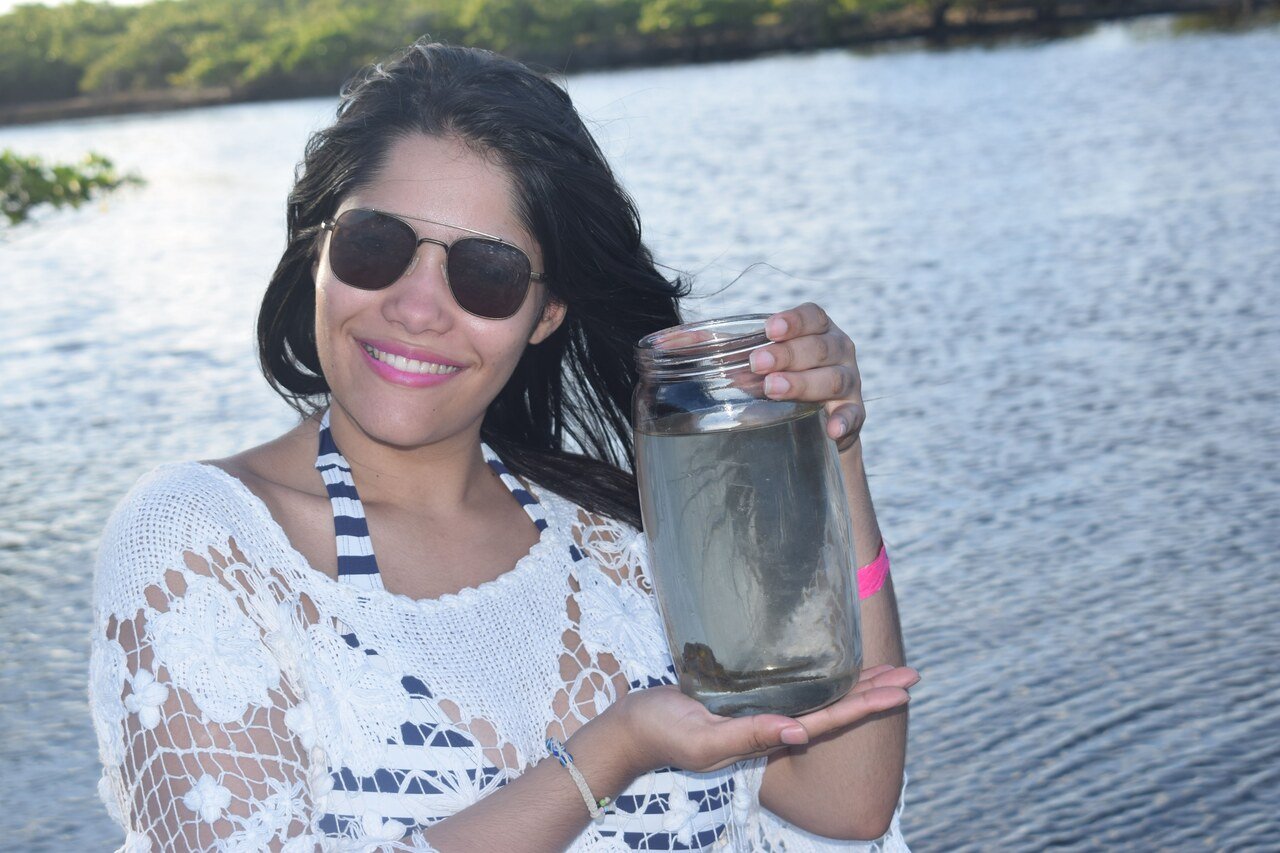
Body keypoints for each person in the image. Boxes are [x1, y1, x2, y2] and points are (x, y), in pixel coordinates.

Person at [88, 40, 918, 852]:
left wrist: (831, 442)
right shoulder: (204, 545)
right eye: (375, 245)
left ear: (545, 311)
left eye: (485, 273)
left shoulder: (623, 545)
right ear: (318, 250)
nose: (417, 307)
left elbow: (845, 803)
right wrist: (612, 749)